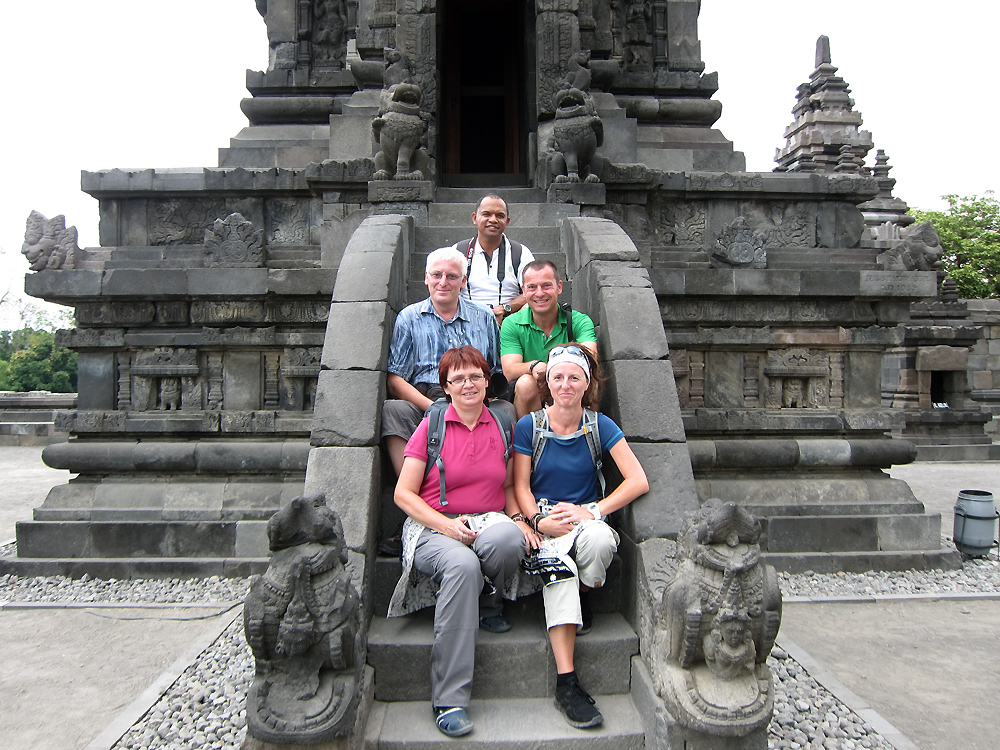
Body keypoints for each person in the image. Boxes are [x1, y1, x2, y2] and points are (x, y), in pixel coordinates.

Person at [388, 346, 534, 738]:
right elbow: (404, 495)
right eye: (458, 379)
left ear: (488, 382)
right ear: (446, 387)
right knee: (462, 565)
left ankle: (490, 601)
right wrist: (449, 527)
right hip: (433, 526)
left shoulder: (501, 424)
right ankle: (449, 697)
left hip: (487, 518)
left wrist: (519, 519)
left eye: (475, 376)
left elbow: (506, 485)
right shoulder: (431, 425)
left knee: (507, 540)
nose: (467, 384)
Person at [512, 344, 648, 729]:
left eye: (574, 377)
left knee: (603, 542)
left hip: (585, 518)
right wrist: (537, 520)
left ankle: (584, 595)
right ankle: (566, 682)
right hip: (547, 520)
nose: (566, 385)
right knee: (559, 572)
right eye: (558, 377)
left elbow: (637, 480)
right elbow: (519, 484)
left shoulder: (599, 424)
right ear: (547, 383)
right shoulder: (530, 425)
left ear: (586, 383)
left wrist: (593, 510)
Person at [382, 246, 514, 475]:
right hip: (426, 397)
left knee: (506, 410)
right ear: (426, 278)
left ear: (463, 281)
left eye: (452, 276)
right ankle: (412, 492)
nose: (443, 282)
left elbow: (495, 371)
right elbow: (395, 380)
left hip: (474, 395)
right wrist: (433, 407)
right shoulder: (409, 318)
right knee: (394, 410)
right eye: (436, 275)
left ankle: (500, 486)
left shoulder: (484, 316)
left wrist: (474, 400)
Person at [500, 260, 597, 418]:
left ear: (559, 287)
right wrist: (534, 366)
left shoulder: (580, 321)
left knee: (591, 381)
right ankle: (530, 439)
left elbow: (591, 358)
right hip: (534, 390)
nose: (539, 293)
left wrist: (552, 371)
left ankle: (585, 435)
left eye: (546, 286)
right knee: (526, 383)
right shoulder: (512, 323)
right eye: (532, 287)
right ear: (523, 291)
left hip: (568, 385)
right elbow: (509, 370)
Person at [444, 194, 535, 326]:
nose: (493, 220)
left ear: (507, 221)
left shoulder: (520, 252)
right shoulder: (458, 251)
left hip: (508, 322)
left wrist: (504, 309)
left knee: (533, 305)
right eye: (486, 214)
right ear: (475, 218)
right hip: (466, 321)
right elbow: (445, 287)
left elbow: (533, 291)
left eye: (500, 216)